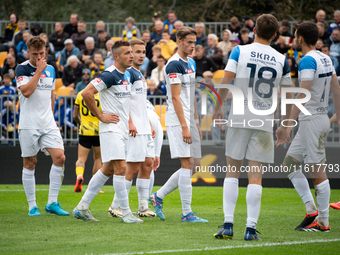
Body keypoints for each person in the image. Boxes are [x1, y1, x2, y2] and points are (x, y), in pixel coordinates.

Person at [212, 14, 292, 240]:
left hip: (239, 115)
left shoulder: (240, 51)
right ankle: (250, 228)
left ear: (254, 30)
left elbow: (226, 80)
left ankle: (228, 225)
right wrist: (284, 125)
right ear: (275, 35)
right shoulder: (281, 59)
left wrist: (218, 107)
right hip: (264, 121)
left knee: (232, 173)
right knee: (256, 177)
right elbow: (286, 96)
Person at [276, 22, 340, 232]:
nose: (294, 39)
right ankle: (312, 210)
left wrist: (287, 125)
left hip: (312, 120)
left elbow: (302, 95)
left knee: (317, 172)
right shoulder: (325, 57)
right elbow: (335, 88)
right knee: (289, 164)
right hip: (318, 118)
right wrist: (338, 114)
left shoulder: (307, 61)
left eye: (295, 35)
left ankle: (323, 222)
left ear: (300, 38)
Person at [72, 40, 143, 223]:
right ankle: (126, 213)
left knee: (108, 169)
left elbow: (123, 105)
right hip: (110, 129)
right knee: (121, 167)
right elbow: (86, 93)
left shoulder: (127, 74)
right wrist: (100, 116)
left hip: (121, 129)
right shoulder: (109, 74)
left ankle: (81, 207)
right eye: (127, 53)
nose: (132, 56)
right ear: (116, 56)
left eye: (131, 52)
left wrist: (129, 122)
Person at [149, 26, 208, 223]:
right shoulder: (173, 64)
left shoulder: (190, 62)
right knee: (186, 163)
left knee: (195, 165)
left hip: (189, 119)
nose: (193, 46)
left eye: (194, 42)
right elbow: (175, 98)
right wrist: (184, 125)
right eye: (189, 42)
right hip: (177, 119)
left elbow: (189, 95)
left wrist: (196, 121)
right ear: (179, 42)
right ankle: (186, 213)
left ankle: (158, 196)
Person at [15, 36, 69, 216]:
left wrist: (52, 117)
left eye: (41, 53)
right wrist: (38, 70)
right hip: (29, 123)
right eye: (35, 54)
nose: (38, 57)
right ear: (28, 52)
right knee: (30, 162)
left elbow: (51, 94)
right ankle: (32, 206)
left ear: (45, 50)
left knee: (60, 157)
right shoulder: (21, 68)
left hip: (48, 123)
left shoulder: (51, 69)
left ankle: (52, 202)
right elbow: (27, 92)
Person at [108, 39, 156, 218]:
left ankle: (143, 207)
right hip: (134, 127)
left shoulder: (139, 74)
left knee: (147, 164)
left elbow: (140, 103)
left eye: (143, 52)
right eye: (136, 52)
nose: (140, 55)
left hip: (143, 126)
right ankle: (116, 205)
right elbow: (124, 102)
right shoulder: (128, 74)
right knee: (133, 167)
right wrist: (129, 122)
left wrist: (148, 123)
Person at [73, 80, 102, 193]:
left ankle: (79, 176)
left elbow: (75, 115)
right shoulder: (102, 96)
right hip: (98, 131)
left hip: (84, 131)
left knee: (81, 159)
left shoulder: (81, 93)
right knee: (98, 158)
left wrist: (81, 123)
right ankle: (95, 186)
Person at [145, 99, 164, 195]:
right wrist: (157, 154)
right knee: (149, 164)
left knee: (129, 165)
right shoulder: (149, 104)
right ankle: (145, 201)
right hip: (155, 122)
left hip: (137, 121)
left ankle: (118, 204)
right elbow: (159, 128)